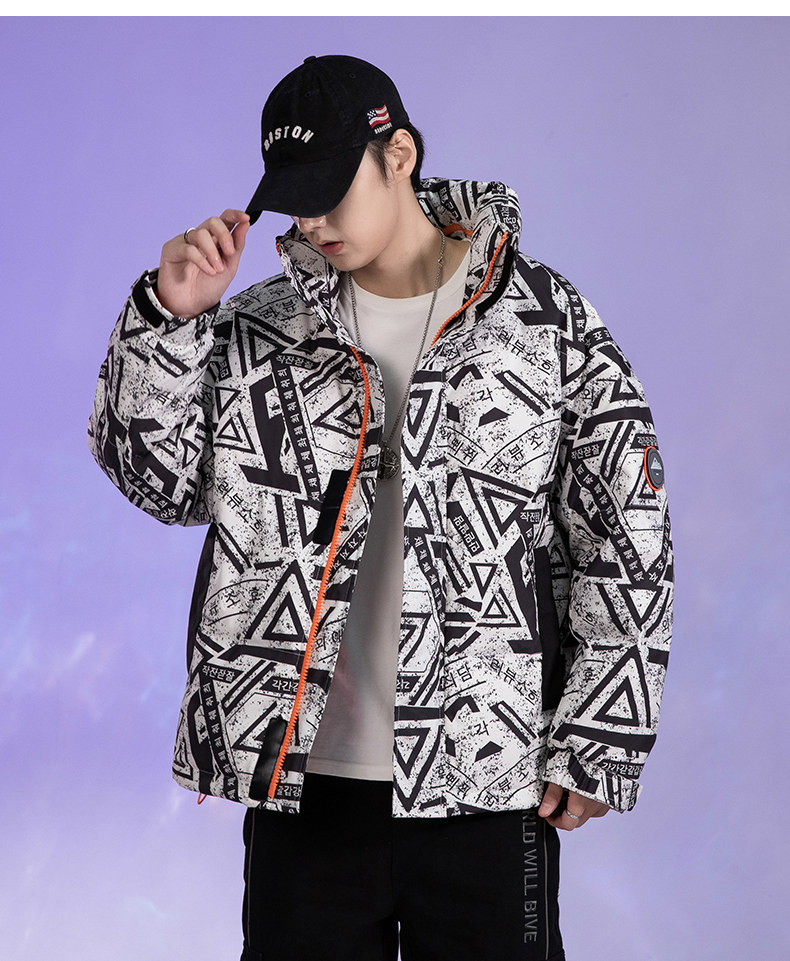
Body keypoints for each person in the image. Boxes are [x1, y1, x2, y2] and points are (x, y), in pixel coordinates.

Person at [88, 54, 673, 961]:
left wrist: (600, 733)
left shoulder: (545, 323)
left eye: (329, 192)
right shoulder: (261, 330)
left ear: (399, 154)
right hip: (305, 782)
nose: (311, 221)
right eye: (294, 200)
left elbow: (625, 530)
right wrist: (170, 318)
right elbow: (156, 480)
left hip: (486, 776)